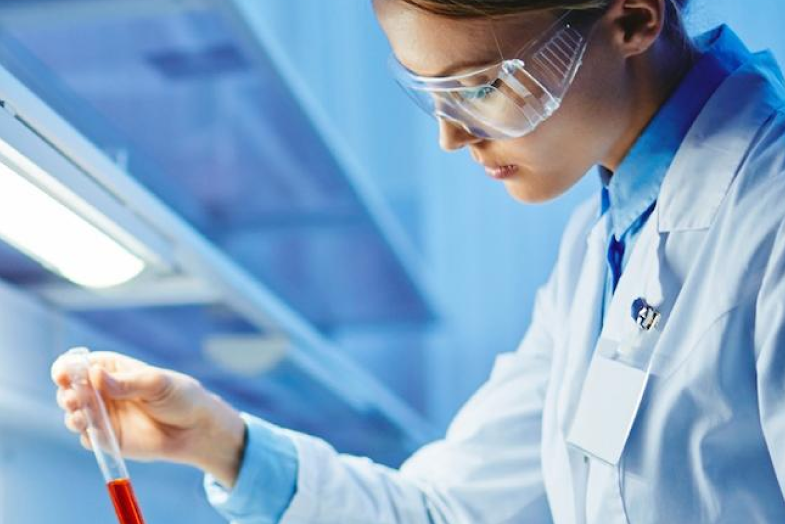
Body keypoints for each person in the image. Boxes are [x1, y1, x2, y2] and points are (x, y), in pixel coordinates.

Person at [51, 0, 785, 521]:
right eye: (430, 93)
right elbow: (446, 510)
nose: (450, 138)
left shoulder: (767, 213)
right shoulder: (602, 248)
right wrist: (217, 441)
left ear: (632, 17)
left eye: (483, 86)